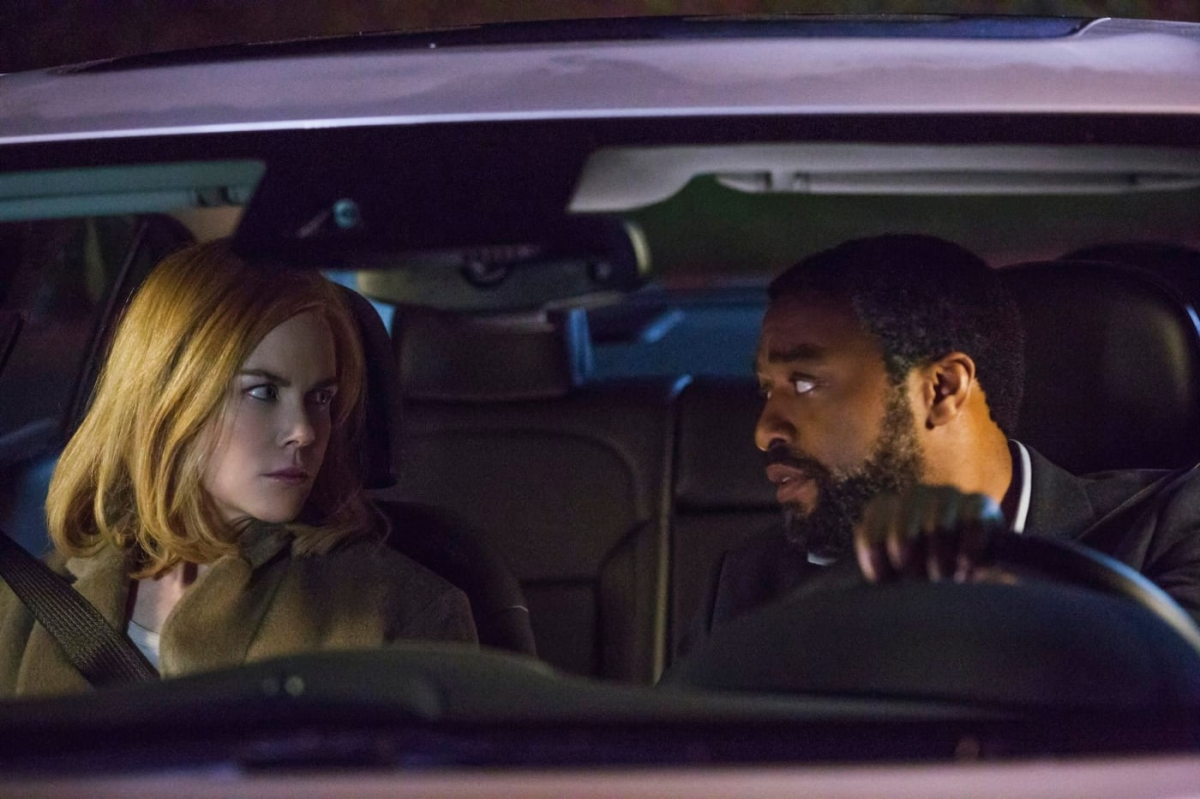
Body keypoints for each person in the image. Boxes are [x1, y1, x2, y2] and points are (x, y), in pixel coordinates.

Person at [0, 240, 477, 697]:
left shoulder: (402, 611)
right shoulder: (25, 601)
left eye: (321, 398)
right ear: (170, 396)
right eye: (263, 392)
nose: (305, 431)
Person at [681, 234, 1200, 654]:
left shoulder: (1176, 529)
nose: (764, 431)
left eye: (804, 382)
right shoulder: (751, 582)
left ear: (942, 389)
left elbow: (1178, 699)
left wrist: (981, 585)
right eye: (766, 389)